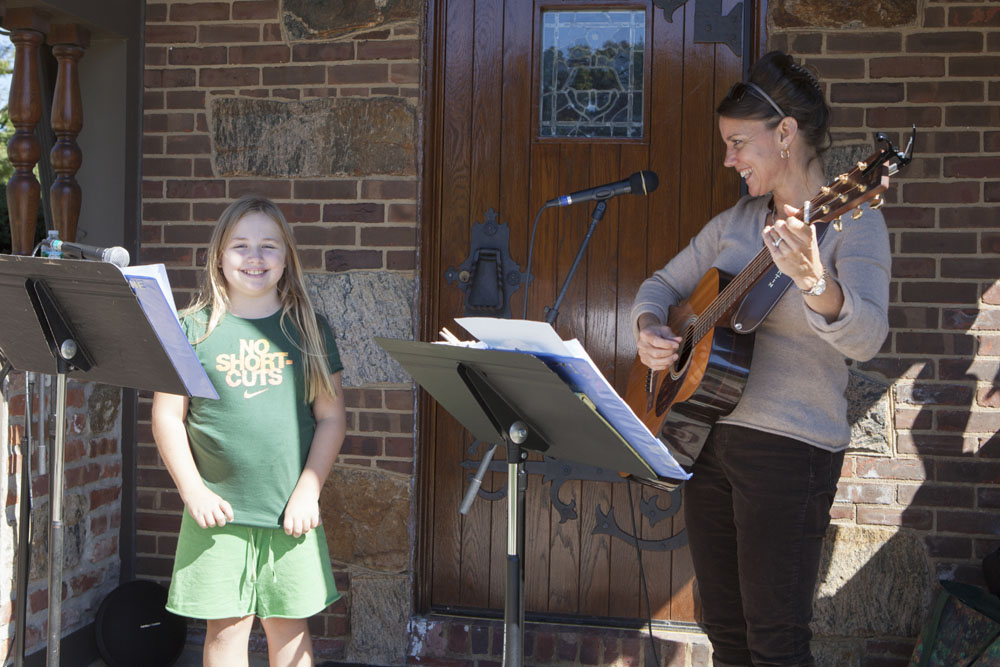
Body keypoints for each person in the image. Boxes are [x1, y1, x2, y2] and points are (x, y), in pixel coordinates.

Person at [631, 51, 890, 666]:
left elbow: (867, 339)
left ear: (785, 133)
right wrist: (648, 330)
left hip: (790, 453)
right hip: (707, 441)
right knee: (724, 630)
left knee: (775, 639)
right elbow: (658, 289)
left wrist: (813, 282)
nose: (729, 160)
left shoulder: (852, 224)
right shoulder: (735, 224)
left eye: (737, 143)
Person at [152, 195, 346, 667]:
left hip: (288, 512)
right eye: (240, 246)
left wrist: (308, 491)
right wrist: (192, 490)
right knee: (224, 631)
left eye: (268, 246)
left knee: (289, 631)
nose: (254, 258)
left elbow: (332, 418)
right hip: (216, 512)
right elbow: (166, 416)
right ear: (219, 254)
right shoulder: (189, 329)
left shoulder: (309, 330)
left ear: (287, 258)